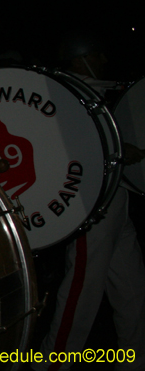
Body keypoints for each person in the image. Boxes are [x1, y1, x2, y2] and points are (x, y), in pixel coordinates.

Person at [31, 36, 145, 371]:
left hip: (113, 196)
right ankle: (53, 363)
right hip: (89, 203)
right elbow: (68, 147)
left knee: (132, 289)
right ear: (80, 59)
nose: (103, 58)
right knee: (81, 291)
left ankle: (135, 359)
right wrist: (120, 150)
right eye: (95, 52)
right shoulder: (66, 94)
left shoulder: (93, 90)